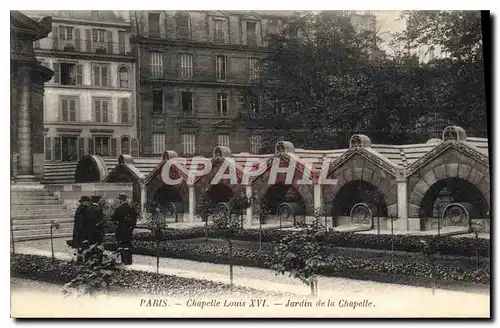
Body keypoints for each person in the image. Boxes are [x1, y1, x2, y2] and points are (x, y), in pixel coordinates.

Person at [111, 193, 137, 264]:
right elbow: (134, 220)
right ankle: (129, 261)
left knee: (122, 245)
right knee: (128, 245)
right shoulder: (131, 209)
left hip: (121, 230)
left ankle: (124, 261)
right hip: (128, 230)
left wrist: (117, 225)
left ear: (120, 200)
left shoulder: (118, 209)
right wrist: (131, 228)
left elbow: (113, 219)